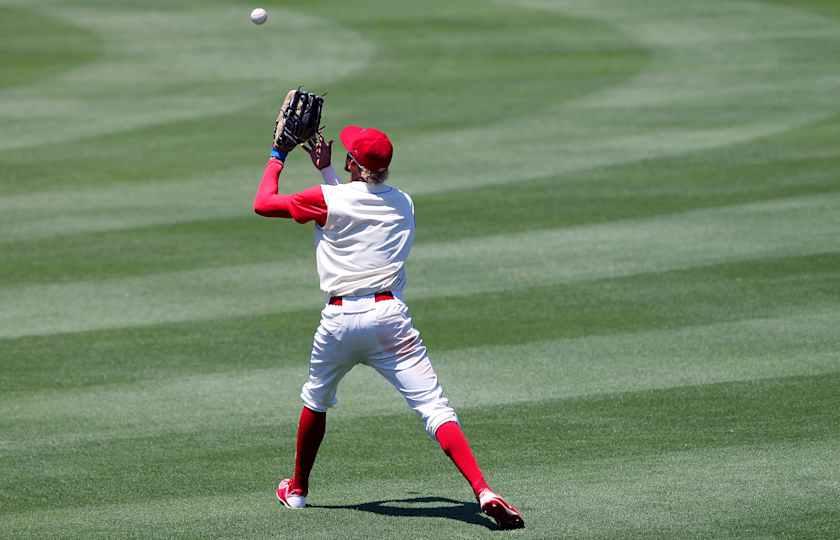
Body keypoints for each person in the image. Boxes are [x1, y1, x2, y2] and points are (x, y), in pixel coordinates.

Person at [252, 124, 525, 530]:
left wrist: (278, 153)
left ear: (353, 164)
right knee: (435, 408)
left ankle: (297, 491)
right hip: (389, 320)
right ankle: (483, 489)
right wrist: (330, 172)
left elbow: (263, 203)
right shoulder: (403, 203)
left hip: (339, 322)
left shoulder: (325, 200)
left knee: (316, 400)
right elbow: (356, 209)